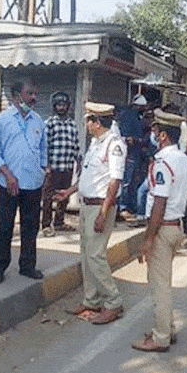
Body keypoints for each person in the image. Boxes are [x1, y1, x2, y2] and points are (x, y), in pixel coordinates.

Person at [56, 102, 126, 325]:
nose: (86, 124)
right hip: (87, 205)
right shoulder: (96, 144)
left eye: (89, 120)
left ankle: (113, 302)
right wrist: (70, 191)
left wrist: (103, 213)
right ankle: (91, 299)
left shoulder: (114, 145)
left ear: (97, 123)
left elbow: (115, 181)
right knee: (86, 254)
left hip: (99, 206)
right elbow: (89, 176)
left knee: (96, 255)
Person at [132, 109, 187, 352]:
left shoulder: (162, 163)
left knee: (159, 285)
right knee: (165, 281)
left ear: (164, 135)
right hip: (176, 224)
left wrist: (148, 238)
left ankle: (161, 336)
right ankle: (168, 328)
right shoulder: (185, 160)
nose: (153, 135)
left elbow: (159, 201)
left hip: (163, 227)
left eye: (156, 131)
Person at [0, 80, 47, 284]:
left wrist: (43, 171)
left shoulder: (38, 121)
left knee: (31, 226)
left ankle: (28, 266)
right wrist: (8, 175)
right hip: (8, 184)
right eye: (30, 93)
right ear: (16, 96)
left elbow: (43, 150)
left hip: (32, 183)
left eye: (36, 94)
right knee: (4, 226)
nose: (34, 98)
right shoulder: (1, 121)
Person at [41, 91, 81, 237]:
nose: (62, 108)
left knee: (64, 195)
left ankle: (59, 222)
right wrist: (46, 165)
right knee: (48, 196)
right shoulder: (50, 123)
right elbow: (45, 145)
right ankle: (46, 224)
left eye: (64, 105)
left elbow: (75, 144)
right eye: (59, 105)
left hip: (67, 166)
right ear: (54, 106)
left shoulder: (72, 123)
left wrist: (78, 160)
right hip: (54, 167)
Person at [117, 94, 148, 220]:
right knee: (126, 181)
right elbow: (126, 137)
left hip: (136, 154)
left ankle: (130, 206)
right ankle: (123, 207)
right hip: (129, 154)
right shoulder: (128, 116)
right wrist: (135, 140)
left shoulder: (137, 117)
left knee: (133, 182)